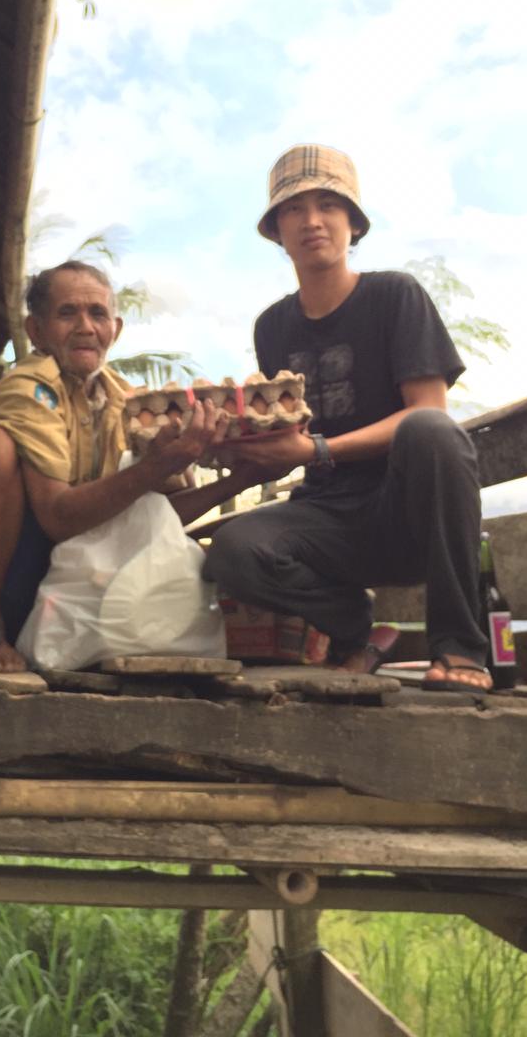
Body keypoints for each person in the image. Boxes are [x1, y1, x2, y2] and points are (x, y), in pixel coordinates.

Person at [204, 144, 491, 692]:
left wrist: (318, 450)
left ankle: (459, 648)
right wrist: (230, 446)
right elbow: (287, 434)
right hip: (327, 518)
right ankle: (353, 625)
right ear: (276, 231)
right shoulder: (272, 327)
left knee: (431, 431)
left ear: (353, 223)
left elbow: (428, 410)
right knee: (234, 551)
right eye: (294, 209)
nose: (311, 221)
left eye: (328, 205)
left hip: (405, 514)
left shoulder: (395, 295)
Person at [0, 260, 256, 672]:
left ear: (115, 329)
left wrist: (241, 479)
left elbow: (153, 517)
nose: (86, 327)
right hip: (10, 571)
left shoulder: (123, 399)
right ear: (36, 330)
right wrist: (156, 466)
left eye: (98, 314)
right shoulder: (27, 389)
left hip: (69, 581)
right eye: (67, 313)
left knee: (142, 496)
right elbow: (57, 518)